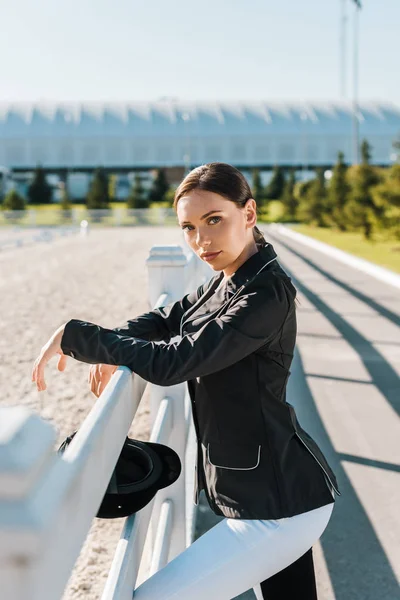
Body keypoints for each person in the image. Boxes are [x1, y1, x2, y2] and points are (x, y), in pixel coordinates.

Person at [32, 162, 340, 599]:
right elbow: (165, 320)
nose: (201, 240)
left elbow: (177, 361)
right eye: (189, 227)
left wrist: (80, 337)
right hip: (267, 498)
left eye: (214, 220)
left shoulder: (264, 294)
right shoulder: (228, 281)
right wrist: (114, 339)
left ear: (248, 214)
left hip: (279, 510)